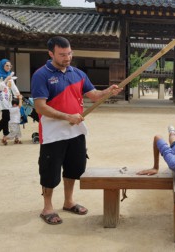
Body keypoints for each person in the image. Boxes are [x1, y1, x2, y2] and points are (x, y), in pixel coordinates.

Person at [31, 36, 123, 225]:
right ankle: (47, 207)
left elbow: (94, 94)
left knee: (74, 168)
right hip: (52, 132)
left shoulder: (78, 74)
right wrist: (67, 117)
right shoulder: (42, 75)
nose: (67, 57)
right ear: (51, 54)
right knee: (50, 170)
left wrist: (107, 92)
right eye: (62, 54)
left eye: (69, 53)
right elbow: (40, 107)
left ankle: (68, 201)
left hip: (76, 131)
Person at [0, 59, 21, 142]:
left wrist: (18, 94)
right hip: (1, 98)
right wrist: (6, 79)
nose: (9, 67)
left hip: (8, 98)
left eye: (10, 66)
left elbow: (13, 86)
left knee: (6, 116)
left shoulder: (9, 75)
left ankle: (5, 133)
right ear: (2, 65)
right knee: (6, 116)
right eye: (7, 65)